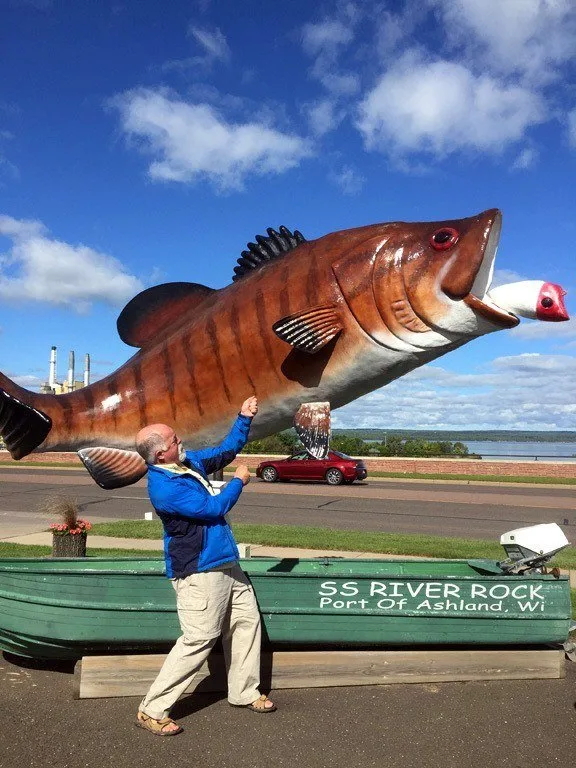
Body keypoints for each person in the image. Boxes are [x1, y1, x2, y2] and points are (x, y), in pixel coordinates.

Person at [134, 395, 276, 737]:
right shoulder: (165, 488)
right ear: (160, 454)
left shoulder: (186, 463)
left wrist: (243, 418)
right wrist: (238, 482)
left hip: (226, 563)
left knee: (246, 623)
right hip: (200, 570)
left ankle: (244, 692)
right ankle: (152, 709)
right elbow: (213, 509)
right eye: (174, 440)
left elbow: (225, 451)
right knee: (199, 638)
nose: (180, 440)